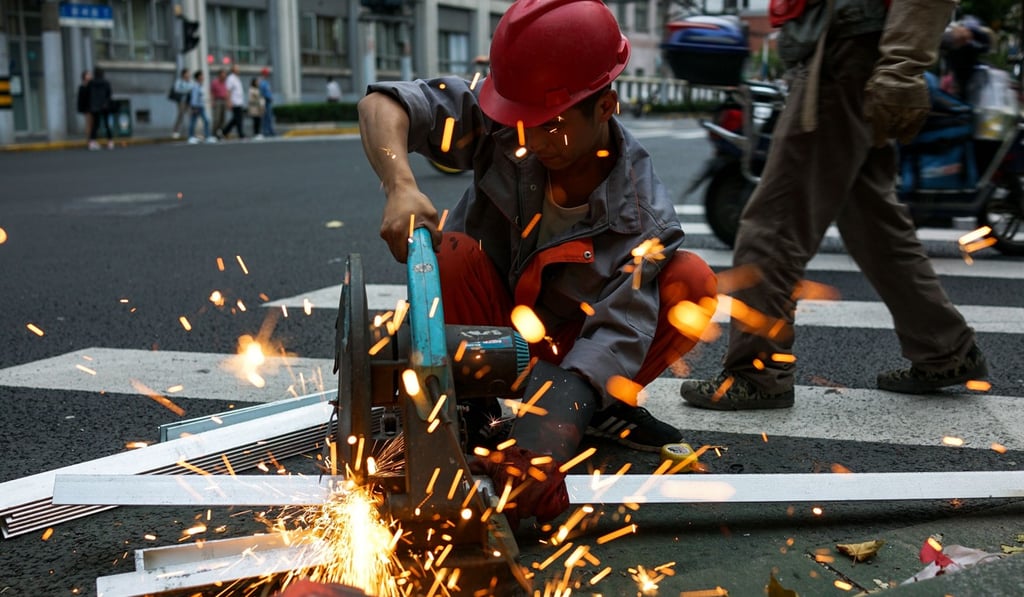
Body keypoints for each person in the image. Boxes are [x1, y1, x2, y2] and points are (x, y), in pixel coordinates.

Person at [358, 0, 717, 528]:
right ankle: (469, 407)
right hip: (490, 326)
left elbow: (615, 337)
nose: (528, 140)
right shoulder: (510, 120)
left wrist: (541, 445)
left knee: (692, 283)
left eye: (551, 126)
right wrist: (400, 185)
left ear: (605, 107)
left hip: (571, 353)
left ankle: (596, 410)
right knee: (451, 253)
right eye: (520, 123)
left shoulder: (643, 216)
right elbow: (382, 107)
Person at [679, 0, 987, 411]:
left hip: (847, 54)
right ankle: (946, 349)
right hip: (855, 54)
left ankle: (757, 372)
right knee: (873, 224)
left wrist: (902, 66)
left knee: (775, 221)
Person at [87, 67, 115, 150]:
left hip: (94, 106)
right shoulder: (106, 83)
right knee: (106, 124)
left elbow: (88, 95)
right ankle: (110, 141)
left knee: (95, 125)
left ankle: (92, 142)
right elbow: (109, 94)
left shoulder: (91, 83)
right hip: (104, 106)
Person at [187, 70, 217, 144]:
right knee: (193, 122)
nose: (203, 77)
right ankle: (191, 137)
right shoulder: (196, 86)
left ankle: (207, 136)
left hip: (201, 106)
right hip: (197, 107)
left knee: (206, 120)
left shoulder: (200, 85)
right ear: (198, 77)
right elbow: (194, 97)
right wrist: (194, 107)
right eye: (202, 75)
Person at [219, 64, 246, 139]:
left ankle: (224, 131)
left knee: (236, 119)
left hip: (239, 101)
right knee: (238, 119)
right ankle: (240, 134)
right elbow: (228, 91)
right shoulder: (231, 78)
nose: (239, 70)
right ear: (233, 70)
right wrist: (229, 102)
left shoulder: (237, 78)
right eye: (237, 69)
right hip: (234, 102)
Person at [170, 68, 193, 139]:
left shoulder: (190, 82)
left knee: (191, 115)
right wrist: (186, 90)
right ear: (184, 74)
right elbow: (177, 90)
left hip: (188, 101)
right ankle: (175, 131)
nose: (189, 75)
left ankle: (191, 132)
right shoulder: (179, 81)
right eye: (187, 73)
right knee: (180, 115)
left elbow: (192, 88)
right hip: (181, 101)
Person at [210, 68, 229, 136]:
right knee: (217, 119)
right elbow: (212, 92)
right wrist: (212, 101)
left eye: (225, 74)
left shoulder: (225, 82)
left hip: (224, 100)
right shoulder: (215, 82)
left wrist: (227, 102)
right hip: (217, 100)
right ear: (219, 75)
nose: (224, 76)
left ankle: (220, 132)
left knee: (223, 119)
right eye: (223, 74)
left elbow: (226, 92)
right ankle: (213, 133)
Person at [258, 67, 276, 137]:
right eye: (266, 73)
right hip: (265, 101)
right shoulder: (262, 82)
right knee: (266, 116)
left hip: (268, 101)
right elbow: (262, 93)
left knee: (269, 116)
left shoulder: (266, 82)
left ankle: (270, 130)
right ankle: (266, 131)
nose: (267, 75)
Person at [76, 70, 92, 140]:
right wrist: (81, 108)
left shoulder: (91, 86)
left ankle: (91, 138)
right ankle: (89, 139)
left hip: (91, 107)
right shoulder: (82, 87)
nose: (90, 76)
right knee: (88, 124)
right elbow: (80, 99)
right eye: (88, 75)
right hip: (87, 108)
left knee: (91, 124)